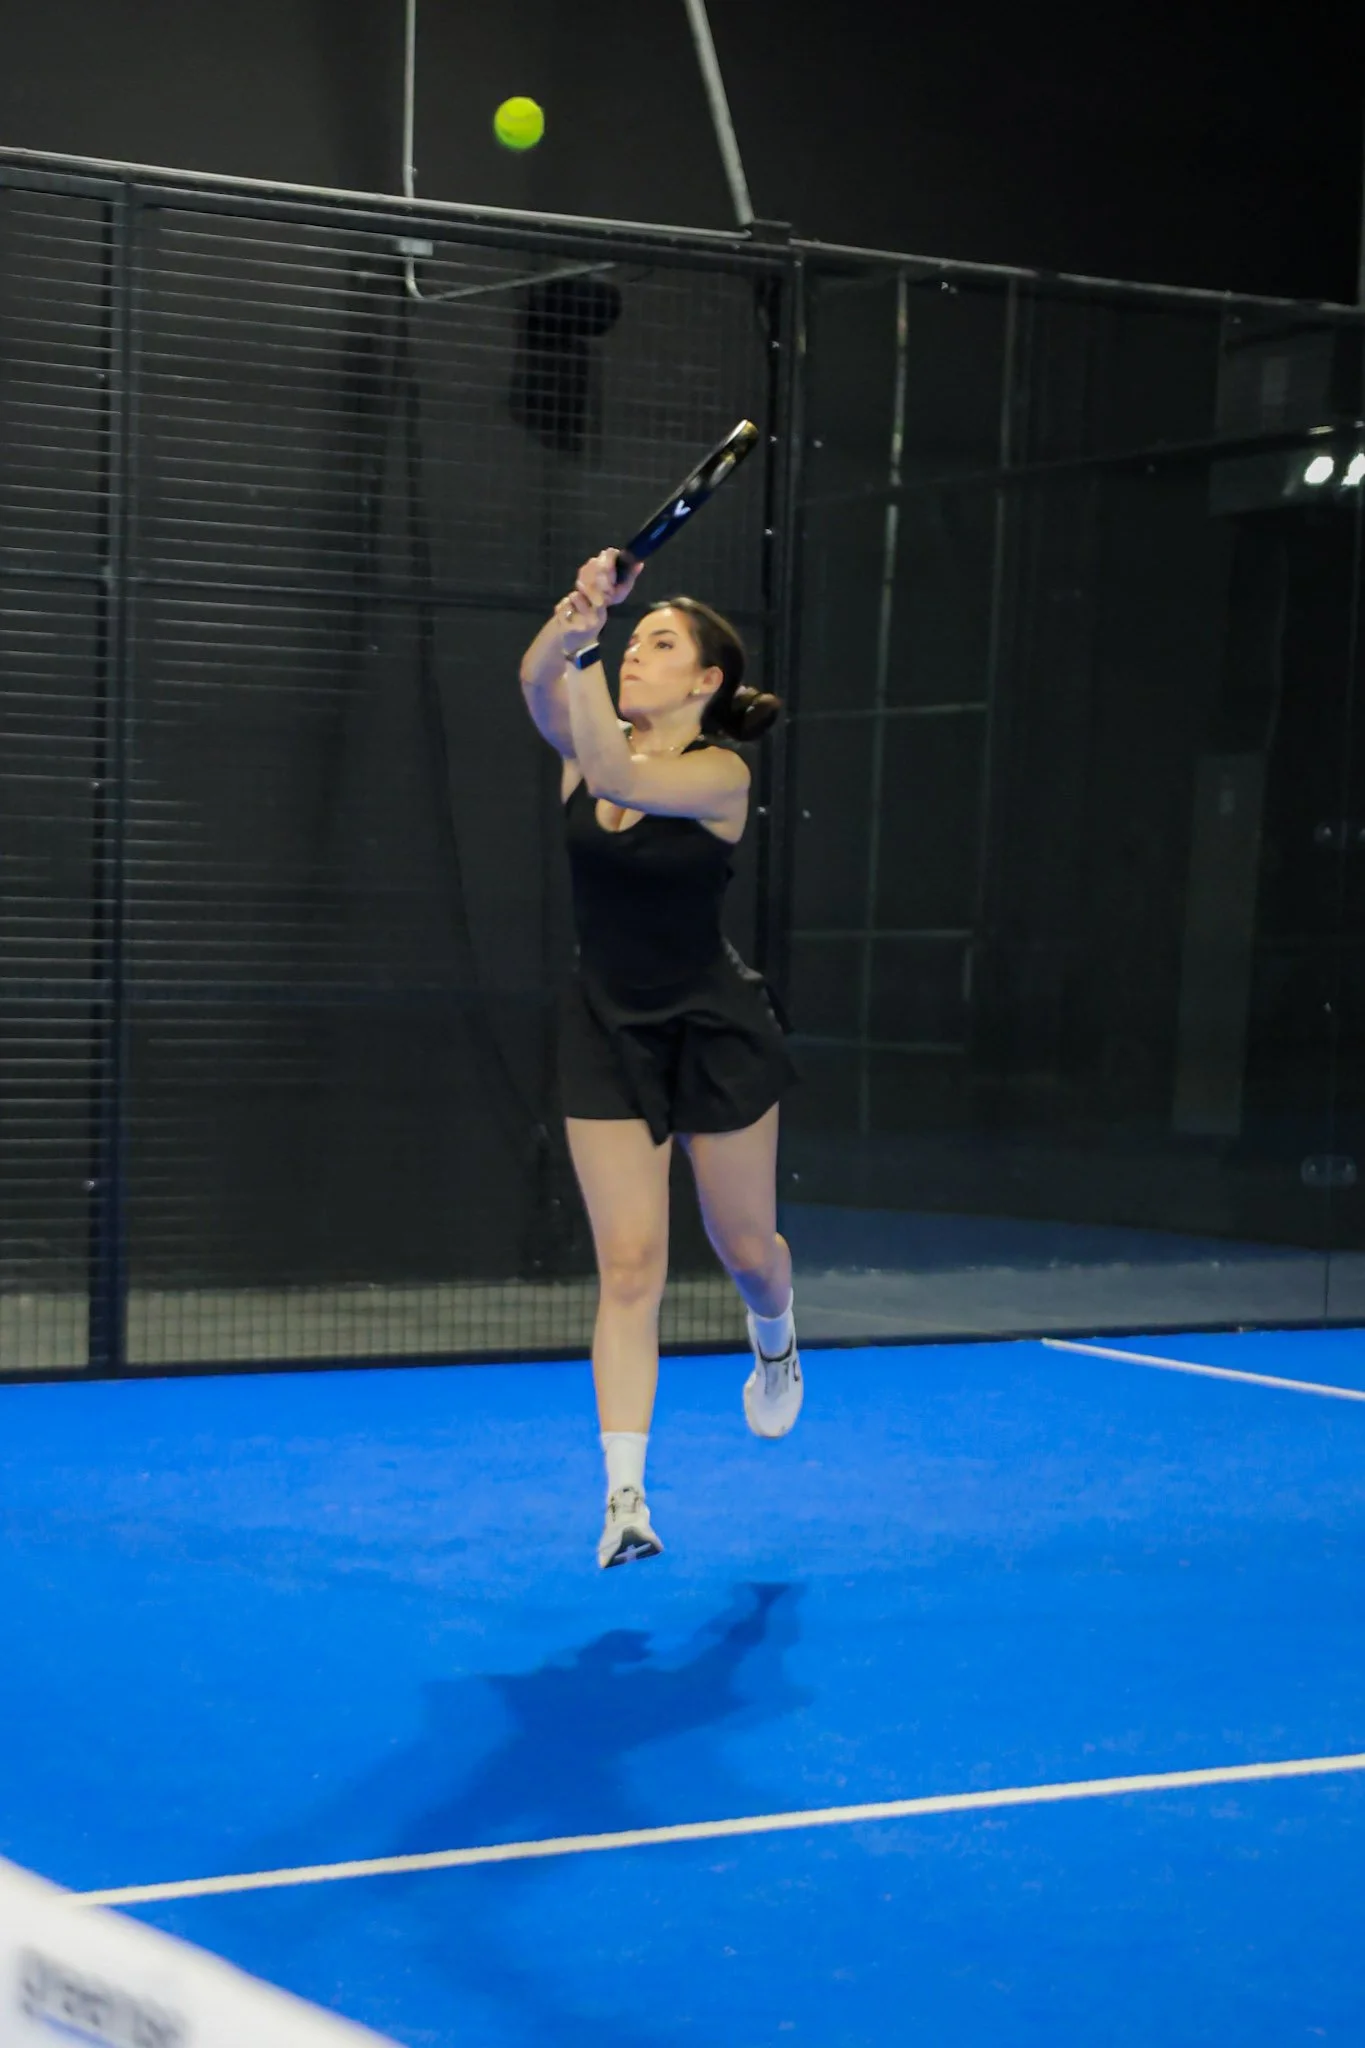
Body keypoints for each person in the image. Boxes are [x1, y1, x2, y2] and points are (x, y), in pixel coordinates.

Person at [518, 548, 802, 1568]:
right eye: (634, 644)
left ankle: (776, 1340)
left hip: (712, 1029)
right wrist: (575, 618)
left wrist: (587, 641)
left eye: (661, 645)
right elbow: (536, 682)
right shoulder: (585, 741)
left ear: (706, 682)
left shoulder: (721, 773)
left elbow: (618, 771)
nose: (640, 656)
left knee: (746, 1249)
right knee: (630, 1263)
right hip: (606, 1026)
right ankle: (625, 1496)